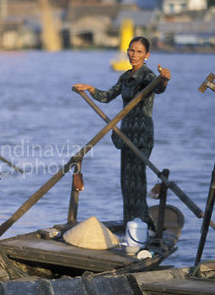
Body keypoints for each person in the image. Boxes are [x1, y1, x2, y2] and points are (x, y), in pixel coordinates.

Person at [73, 36, 171, 229]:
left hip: (141, 134)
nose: (134, 55)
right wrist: (90, 89)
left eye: (139, 52)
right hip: (125, 134)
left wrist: (164, 80)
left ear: (147, 55)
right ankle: (130, 222)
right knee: (126, 182)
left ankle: (144, 224)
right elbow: (108, 96)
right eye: (131, 50)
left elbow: (159, 88)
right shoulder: (125, 77)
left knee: (137, 181)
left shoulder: (148, 76)